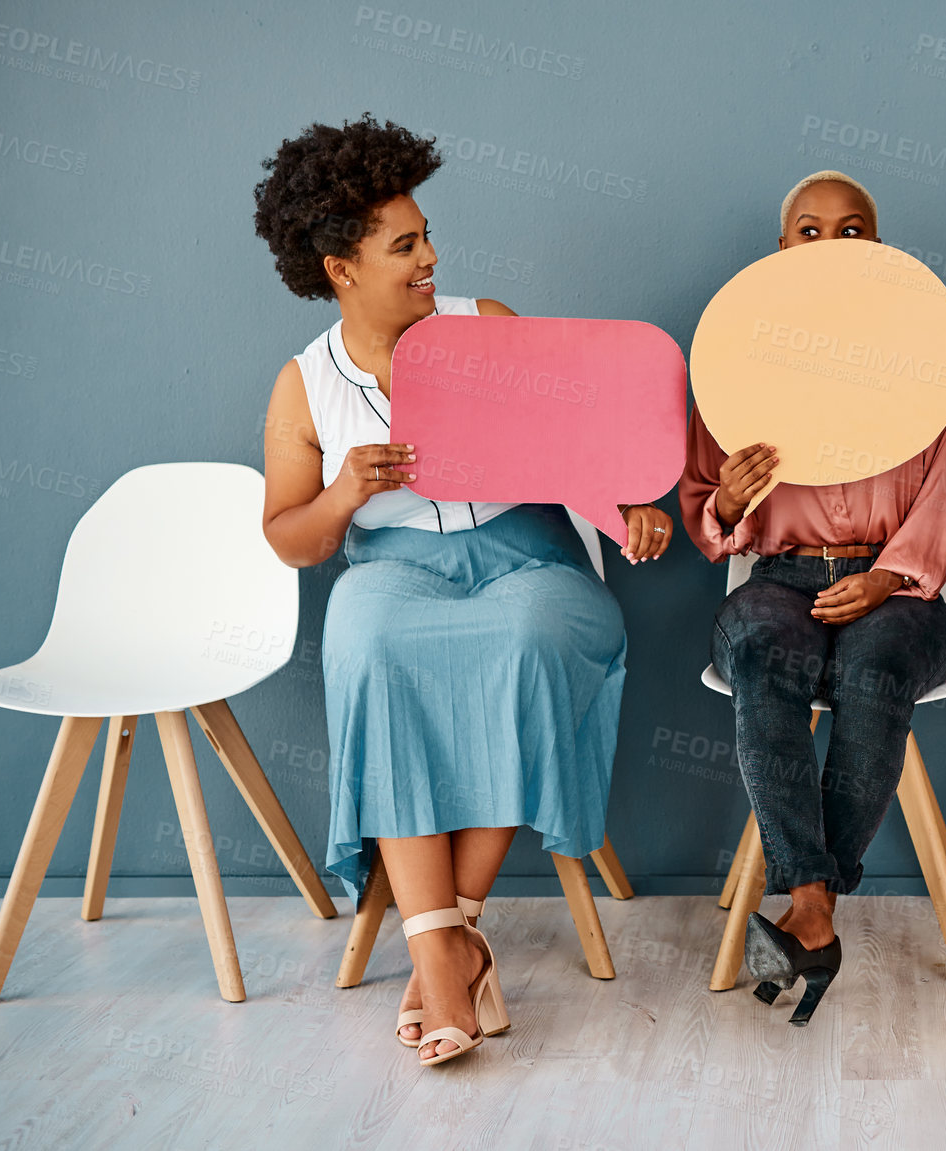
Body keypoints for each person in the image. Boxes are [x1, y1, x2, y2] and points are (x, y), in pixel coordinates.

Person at [252, 115, 673, 1066]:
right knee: (366, 646)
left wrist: (627, 507)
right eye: (405, 245)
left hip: (524, 554)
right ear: (340, 268)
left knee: (530, 639)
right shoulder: (303, 385)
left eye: (427, 234)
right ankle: (447, 953)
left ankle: (443, 940)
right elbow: (290, 540)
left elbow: (580, 447)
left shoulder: (487, 327)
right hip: (393, 571)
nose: (431, 256)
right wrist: (347, 490)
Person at [679, 170, 946, 1024]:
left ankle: (807, 908)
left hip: (897, 582)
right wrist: (729, 497)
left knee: (878, 662)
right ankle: (813, 899)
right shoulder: (732, 367)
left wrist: (888, 576)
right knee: (767, 651)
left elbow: (942, 497)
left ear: (877, 248)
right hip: (779, 578)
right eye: (809, 229)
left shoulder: (928, 362)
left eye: (852, 229)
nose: (830, 242)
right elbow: (704, 513)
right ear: (781, 250)